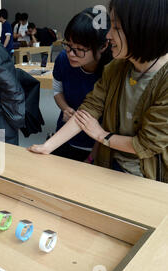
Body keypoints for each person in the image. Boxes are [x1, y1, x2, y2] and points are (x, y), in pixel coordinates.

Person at [30, 0, 168, 183]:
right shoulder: (116, 68)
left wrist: (101, 135)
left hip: (148, 177)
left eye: (116, 28)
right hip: (110, 166)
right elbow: (89, 109)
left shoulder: (163, 80)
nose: (109, 35)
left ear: (143, 30)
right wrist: (47, 147)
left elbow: (147, 143)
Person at [51, 8, 112, 162]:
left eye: (79, 49)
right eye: (68, 45)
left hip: (98, 144)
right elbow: (57, 90)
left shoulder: (112, 70)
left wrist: (92, 156)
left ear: (103, 46)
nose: (71, 53)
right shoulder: (63, 59)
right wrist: (65, 108)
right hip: (64, 136)